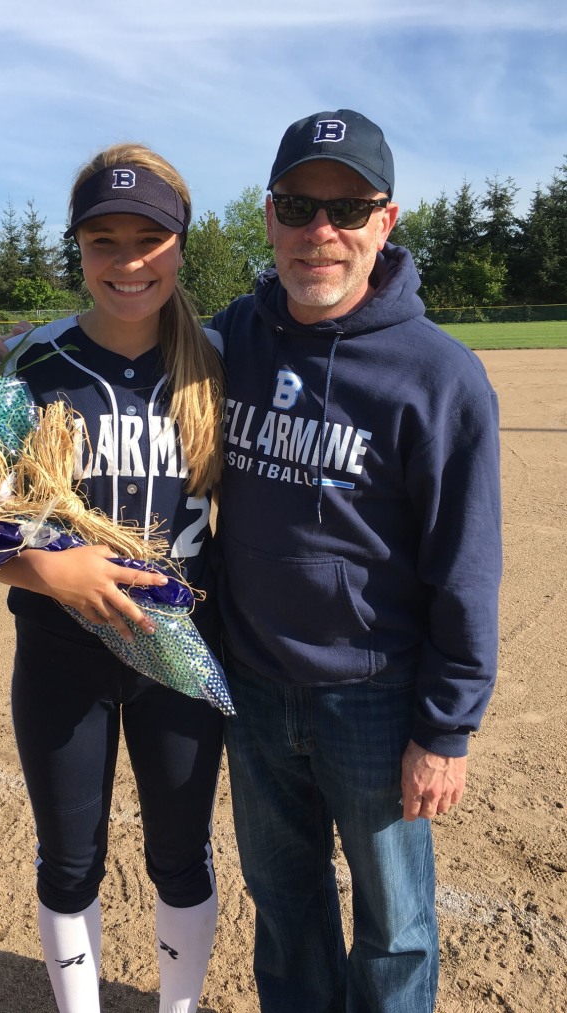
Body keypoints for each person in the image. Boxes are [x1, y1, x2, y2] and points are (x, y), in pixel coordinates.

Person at [210, 109, 502, 1012]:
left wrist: (445, 727)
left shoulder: (437, 376)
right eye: (298, 206)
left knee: (395, 926)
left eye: (348, 209)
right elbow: (127, 353)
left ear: (387, 219)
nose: (319, 233)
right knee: (285, 906)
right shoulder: (233, 339)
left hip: (373, 697)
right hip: (252, 686)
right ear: (267, 217)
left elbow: (465, 563)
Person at [0, 144, 226, 1013]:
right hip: (61, 653)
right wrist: (47, 566)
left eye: (148, 239)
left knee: (181, 851)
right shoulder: (31, 363)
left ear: (180, 245)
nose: (127, 263)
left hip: (182, 658)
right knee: (69, 858)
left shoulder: (221, 361)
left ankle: (179, 1005)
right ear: (77, 249)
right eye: (104, 241)